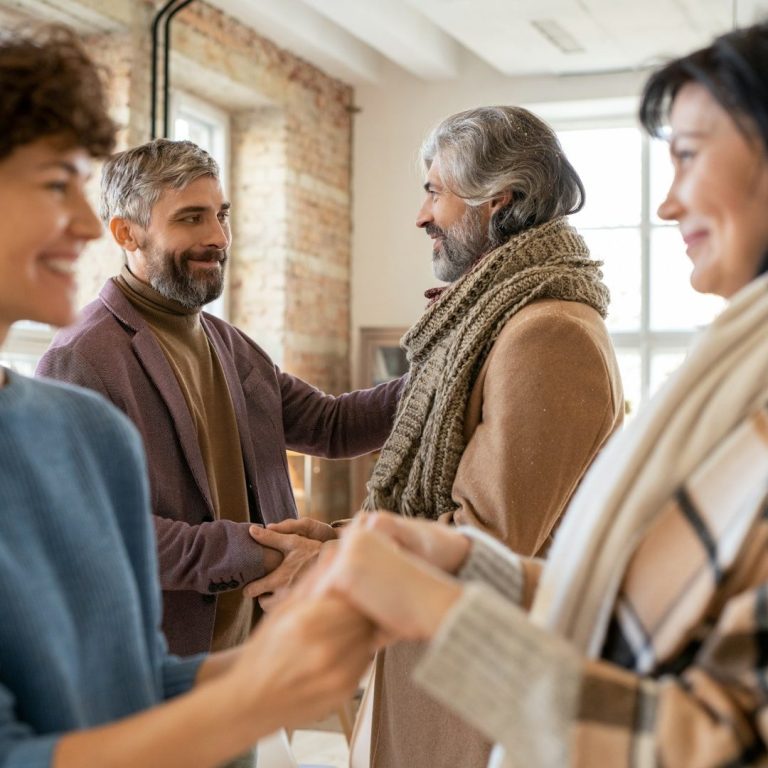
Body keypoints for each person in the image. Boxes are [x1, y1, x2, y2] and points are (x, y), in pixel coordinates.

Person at [317, 20, 768, 767]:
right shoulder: (734, 367)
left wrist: (436, 597)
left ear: (499, 201)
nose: (667, 204)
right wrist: (443, 556)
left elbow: (715, 735)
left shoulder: (548, 331)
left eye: (689, 154)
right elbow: (631, 596)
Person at [0, 25, 375, 768]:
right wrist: (260, 571)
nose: (85, 225)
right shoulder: (81, 361)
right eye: (54, 184)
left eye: (220, 215)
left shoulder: (79, 429)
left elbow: (129, 683)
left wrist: (285, 661)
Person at [252, 106, 624, 767]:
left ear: (497, 201)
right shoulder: (499, 320)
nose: (421, 216)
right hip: (443, 671)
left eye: (434, 192)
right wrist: (339, 541)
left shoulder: (546, 333)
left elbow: (486, 543)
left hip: (481, 696)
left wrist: (338, 561)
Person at [35, 137, 403, 658]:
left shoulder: (227, 342)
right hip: (160, 667)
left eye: (221, 215)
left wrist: (447, 367)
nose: (218, 238)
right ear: (126, 233)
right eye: (191, 219)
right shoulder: (80, 357)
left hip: (255, 651)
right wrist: (265, 554)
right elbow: (101, 532)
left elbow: (332, 425)